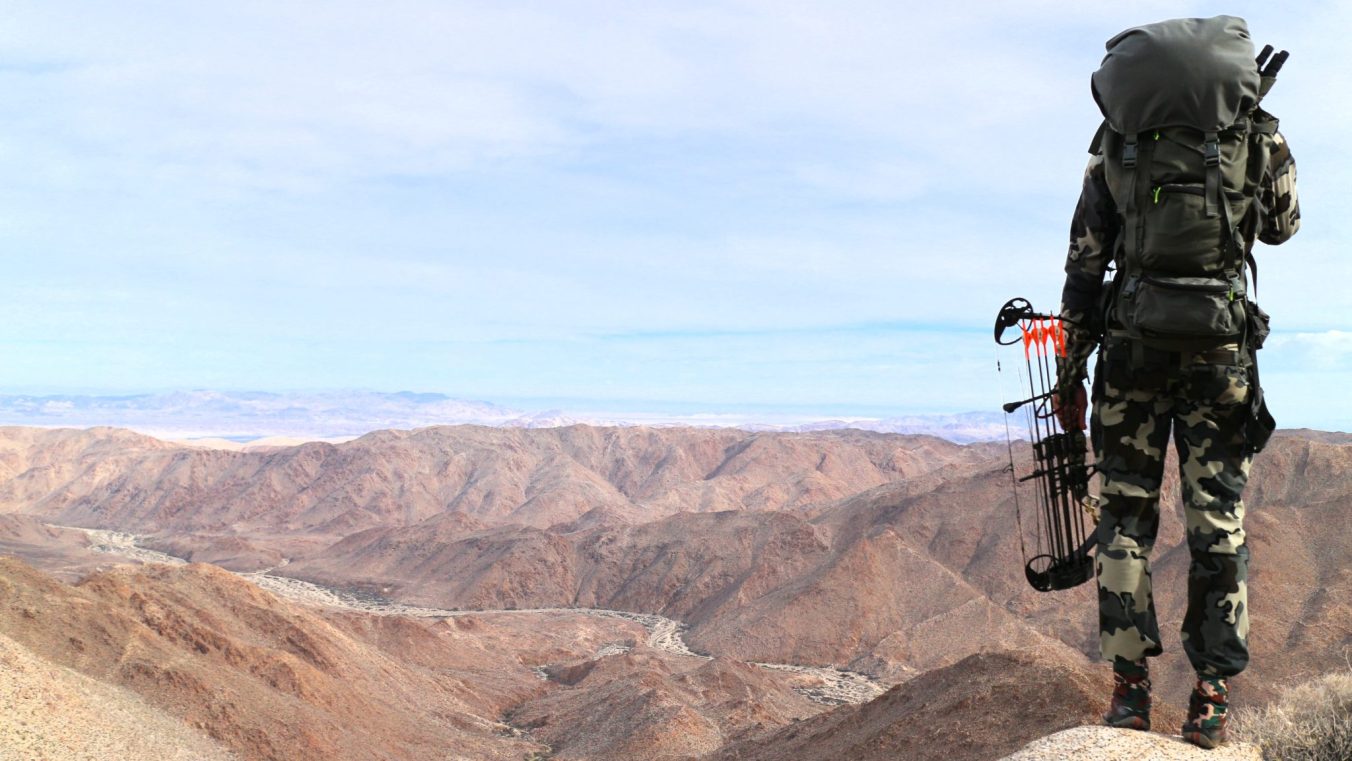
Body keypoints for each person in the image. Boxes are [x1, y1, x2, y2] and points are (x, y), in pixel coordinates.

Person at [1052, 16, 1300, 750]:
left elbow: (1084, 261)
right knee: (1216, 526)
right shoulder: (1258, 133)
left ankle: (1128, 696)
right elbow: (1285, 225)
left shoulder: (1116, 143)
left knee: (1124, 521)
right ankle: (1210, 700)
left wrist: (1071, 366)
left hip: (1130, 353)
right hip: (1220, 353)